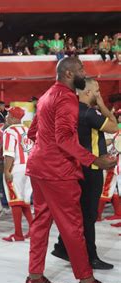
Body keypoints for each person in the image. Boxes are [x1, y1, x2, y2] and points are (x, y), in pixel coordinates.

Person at [25, 57, 120, 283]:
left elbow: (32, 132)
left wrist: (46, 153)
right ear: (68, 74)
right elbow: (64, 139)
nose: (84, 72)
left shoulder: (46, 96)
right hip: (58, 171)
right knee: (73, 226)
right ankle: (87, 281)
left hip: (38, 168)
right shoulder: (67, 98)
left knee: (41, 223)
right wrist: (95, 160)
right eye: (81, 69)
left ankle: (34, 276)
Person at [51, 78, 118, 269]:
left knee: (77, 213)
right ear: (88, 93)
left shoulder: (70, 110)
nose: (99, 93)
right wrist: (103, 104)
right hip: (92, 167)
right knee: (88, 215)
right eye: (97, 90)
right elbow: (115, 126)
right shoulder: (90, 113)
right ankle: (90, 256)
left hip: (75, 166)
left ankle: (62, 247)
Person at [1, 107, 34, 241]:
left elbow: (9, 153)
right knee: (24, 201)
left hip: (16, 168)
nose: (6, 117)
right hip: (30, 168)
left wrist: (7, 170)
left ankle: (18, 234)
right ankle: (34, 231)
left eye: (8, 114)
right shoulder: (28, 130)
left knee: (15, 201)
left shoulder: (10, 131)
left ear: (14, 118)